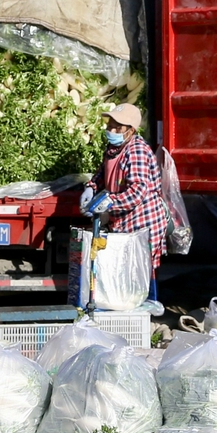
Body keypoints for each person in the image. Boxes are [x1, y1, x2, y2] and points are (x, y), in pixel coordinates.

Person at [82, 103, 166, 300]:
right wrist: (91, 187)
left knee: (140, 274)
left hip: (142, 224)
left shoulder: (136, 152)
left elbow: (137, 192)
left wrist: (109, 202)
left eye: (117, 127)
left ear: (131, 131)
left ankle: (147, 309)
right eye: (110, 125)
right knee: (125, 275)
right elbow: (102, 173)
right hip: (123, 221)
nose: (111, 131)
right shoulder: (114, 149)